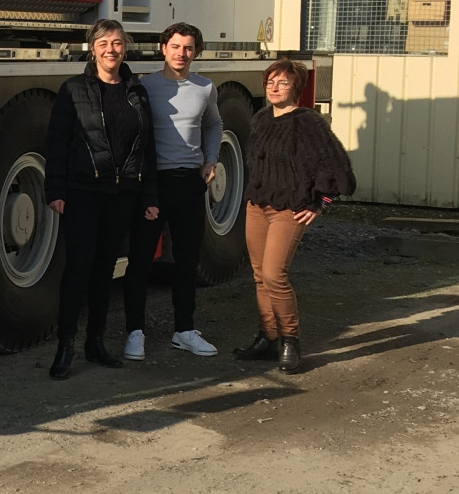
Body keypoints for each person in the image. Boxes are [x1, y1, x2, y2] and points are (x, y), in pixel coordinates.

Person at [45, 19, 158, 380]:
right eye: (104, 43)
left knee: (105, 270)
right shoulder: (73, 89)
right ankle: (66, 346)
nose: (111, 49)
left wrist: (149, 195)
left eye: (118, 43)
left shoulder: (136, 91)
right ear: (92, 48)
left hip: (122, 193)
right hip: (82, 192)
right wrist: (55, 190)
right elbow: (57, 142)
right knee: (78, 266)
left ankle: (96, 343)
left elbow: (148, 148)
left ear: (126, 48)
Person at [234, 58, 356, 373]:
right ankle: (268, 337)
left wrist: (322, 201)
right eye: (270, 82)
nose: (274, 88)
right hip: (257, 206)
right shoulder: (261, 118)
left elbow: (335, 162)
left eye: (283, 83)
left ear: (296, 89)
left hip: (289, 209)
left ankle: (290, 341)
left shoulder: (307, 121)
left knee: (275, 275)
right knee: (260, 276)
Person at [123, 22, 222, 361]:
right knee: (139, 261)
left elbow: (214, 124)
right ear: (163, 48)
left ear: (196, 52)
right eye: (176, 46)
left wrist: (211, 159)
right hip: (151, 184)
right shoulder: (144, 86)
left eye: (189, 48)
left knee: (186, 261)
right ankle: (135, 333)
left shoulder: (205, 88)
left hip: (189, 183)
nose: (182, 53)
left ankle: (185, 330)